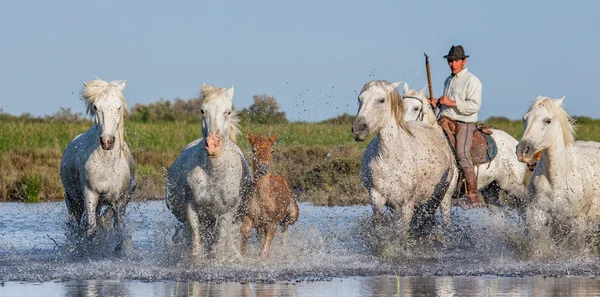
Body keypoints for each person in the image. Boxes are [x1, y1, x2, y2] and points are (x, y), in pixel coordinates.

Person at [428, 45, 483, 208]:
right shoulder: (448, 80)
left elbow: (474, 106)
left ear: (464, 61)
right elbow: (447, 105)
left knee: (462, 154)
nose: (453, 64)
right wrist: (437, 102)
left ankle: (472, 194)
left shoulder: (472, 80)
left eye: (456, 61)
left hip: (464, 123)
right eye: (450, 61)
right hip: (446, 121)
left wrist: (450, 102)